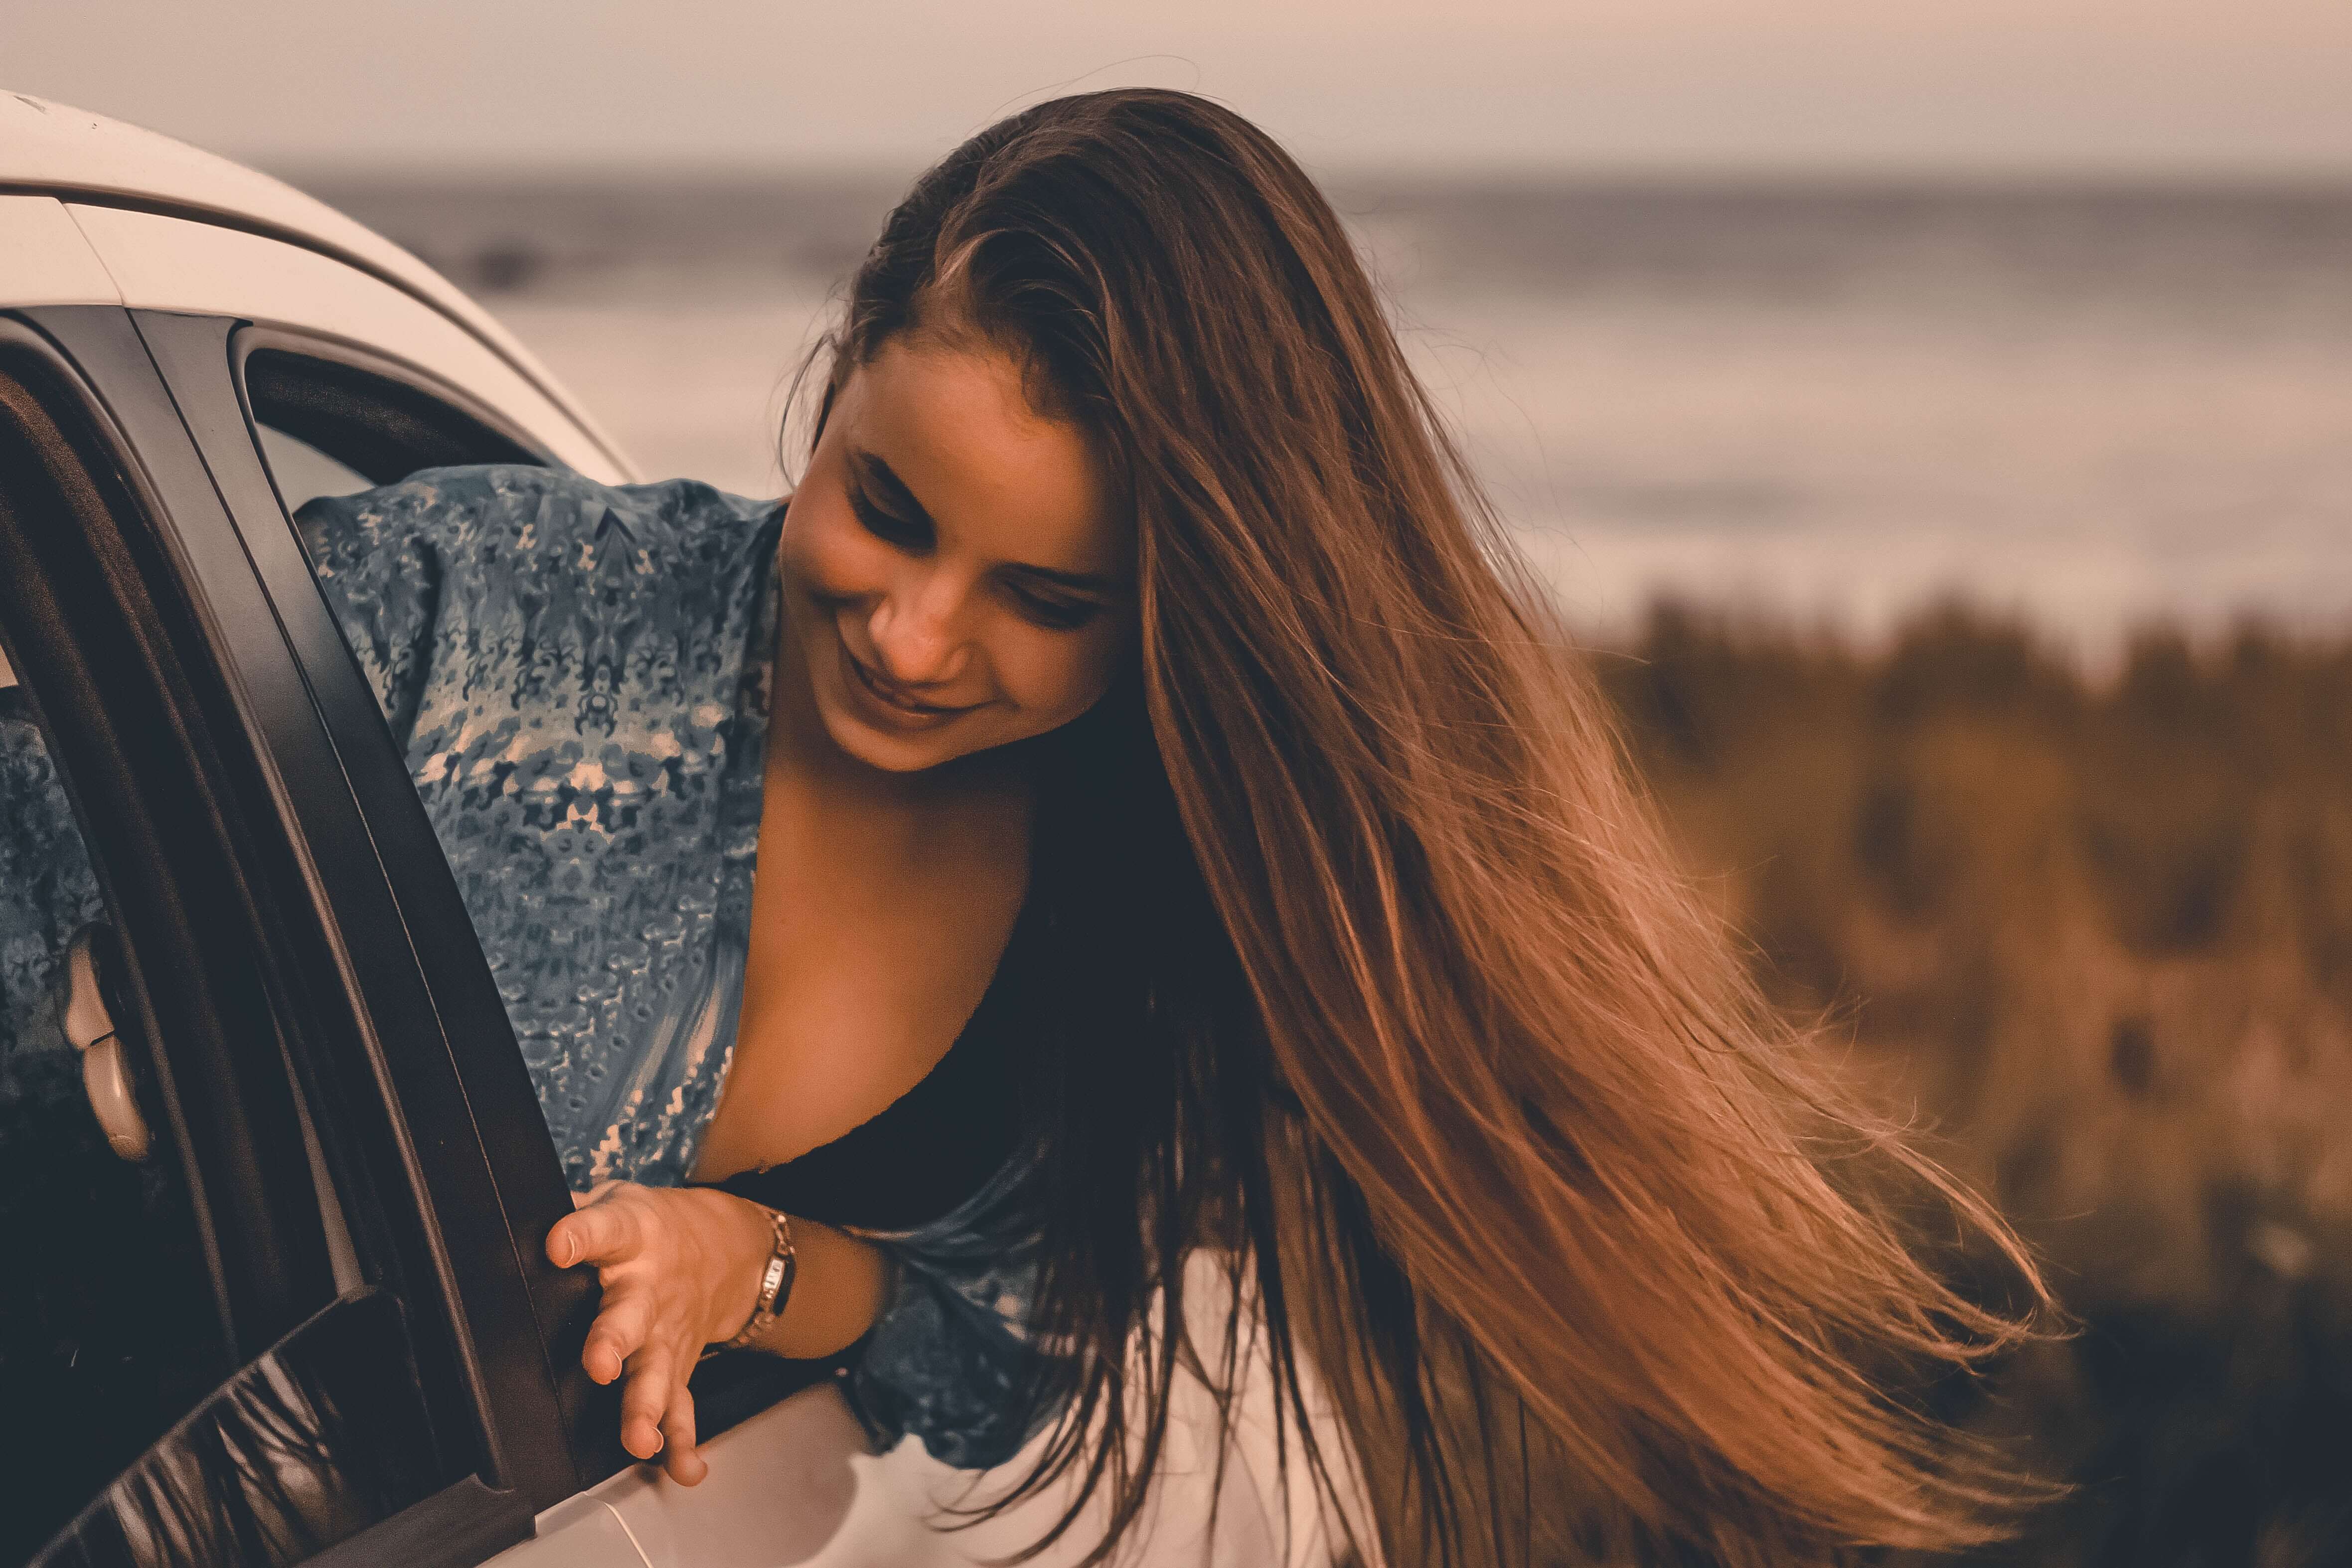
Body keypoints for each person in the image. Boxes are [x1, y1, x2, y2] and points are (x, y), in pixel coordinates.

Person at [220, 88, 2047, 1564]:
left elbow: (995, 1345)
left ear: (1183, 599)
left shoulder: (1144, 911)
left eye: (1052, 598)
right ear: (840, 361)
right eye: (885, 503)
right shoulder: (478, 607)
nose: (917, 636)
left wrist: (744, 1261)